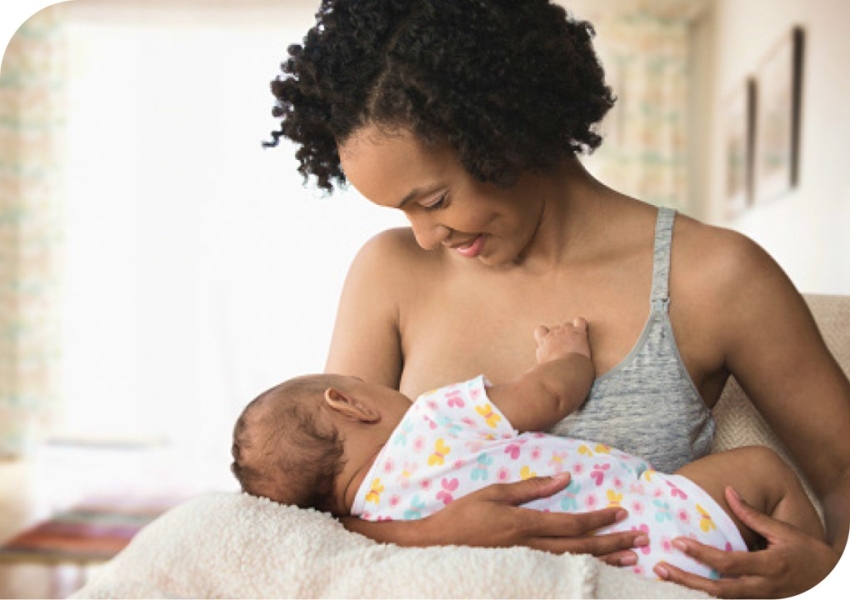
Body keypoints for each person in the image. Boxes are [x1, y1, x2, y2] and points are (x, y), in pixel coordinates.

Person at [262, 0, 850, 596]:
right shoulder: (390, 272)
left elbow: (842, 467)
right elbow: (314, 503)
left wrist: (819, 566)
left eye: (435, 200)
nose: (424, 235)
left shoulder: (714, 277)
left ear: (504, 133)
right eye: (401, 210)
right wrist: (431, 533)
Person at [231, 319, 823, 580]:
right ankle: (800, 554)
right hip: (659, 524)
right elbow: (548, 394)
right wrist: (565, 354)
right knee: (763, 469)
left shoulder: (369, 526)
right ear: (350, 404)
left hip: (624, 578)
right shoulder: (433, 417)